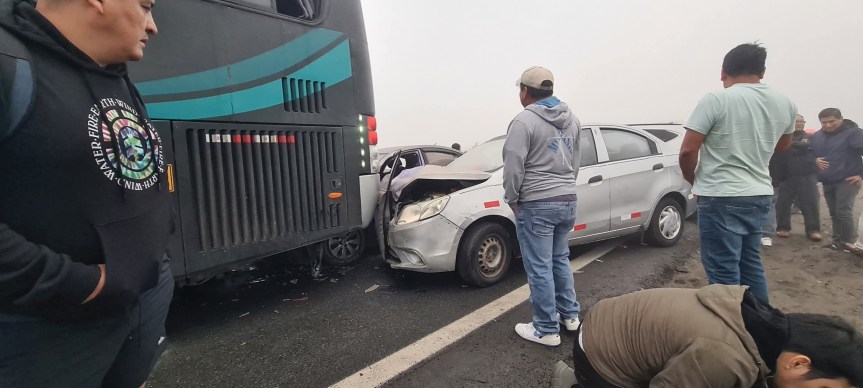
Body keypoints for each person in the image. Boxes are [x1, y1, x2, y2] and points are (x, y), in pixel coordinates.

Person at [0, 0, 173, 386]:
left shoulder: (117, 76)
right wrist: (80, 285)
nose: (153, 26)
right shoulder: (9, 63)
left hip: (135, 319)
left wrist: (156, 265)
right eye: (146, 6)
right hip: (42, 338)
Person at [550, 285, 863, 388]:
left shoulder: (764, 324)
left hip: (612, 321)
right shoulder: (726, 358)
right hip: (600, 355)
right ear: (798, 363)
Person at [679, 43, 795, 304]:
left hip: (721, 194)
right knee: (751, 264)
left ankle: (731, 334)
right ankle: (761, 327)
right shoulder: (785, 103)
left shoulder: (716, 99)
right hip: (759, 193)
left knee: (723, 270)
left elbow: (687, 151)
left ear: (723, 72)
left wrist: (693, 179)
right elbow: (783, 146)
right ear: (762, 72)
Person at [503, 66, 581, 346]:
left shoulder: (524, 122)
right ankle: (570, 316)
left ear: (525, 91)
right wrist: (566, 189)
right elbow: (576, 162)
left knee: (539, 267)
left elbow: (513, 166)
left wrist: (513, 199)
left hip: (537, 203)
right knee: (560, 259)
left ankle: (546, 329)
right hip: (566, 199)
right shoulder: (572, 120)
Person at [809, 109, 863, 251]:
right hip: (827, 179)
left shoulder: (854, 133)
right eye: (824, 122)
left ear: (841, 119)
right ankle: (837, 241)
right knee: (834, 212)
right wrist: (814, 160)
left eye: (831, 121)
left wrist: (861, 175)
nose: (827, 125)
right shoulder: (817, 136)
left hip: (848, 179)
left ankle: (847, 243)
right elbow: (809, 153)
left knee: (843, 211)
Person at [774, 115, 823, 241]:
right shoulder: (782, 136)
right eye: (796, 122)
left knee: (810, 203)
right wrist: (799, 145)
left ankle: (813, 230)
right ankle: (783, 227)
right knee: (783, 203)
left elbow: (813, 148)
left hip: (807, 174)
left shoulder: (811, 137)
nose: (799, 124)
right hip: (786, 175)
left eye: (802, 121)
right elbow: (779, 150)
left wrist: (794, 145)